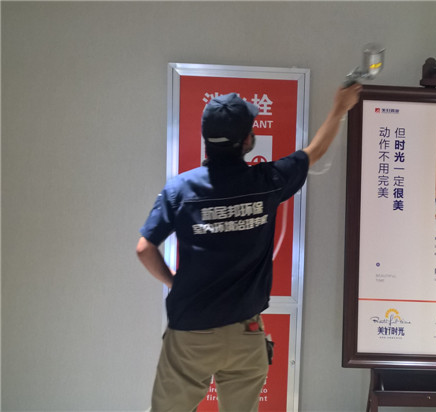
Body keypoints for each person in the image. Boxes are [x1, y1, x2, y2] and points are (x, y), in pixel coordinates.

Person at [136, 83, 361, 412]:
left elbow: (144, 248)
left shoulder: (179, 190)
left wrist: (174, 282)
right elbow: (315, 150)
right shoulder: (266, 181)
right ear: (246, 141)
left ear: (206, 138)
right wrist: (340, 107)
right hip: (246, 332)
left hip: (190, 332)